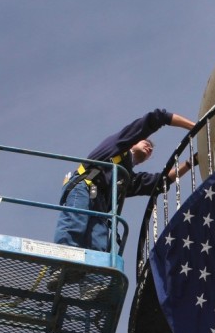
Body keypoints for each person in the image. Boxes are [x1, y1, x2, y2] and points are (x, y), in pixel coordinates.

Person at [53, 108, 196, 252]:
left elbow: (160, 182)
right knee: (74, 228)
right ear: (133, 141)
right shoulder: (118, 145)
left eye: (151, 149)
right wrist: (194, 127)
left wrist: (191, 162)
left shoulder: (126, 178)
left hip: (100, 206)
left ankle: (85, 266)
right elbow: (158, 117)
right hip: (84, 187)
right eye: (145, 142)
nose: (149, 146)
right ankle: (62, 258)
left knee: (98, 247)